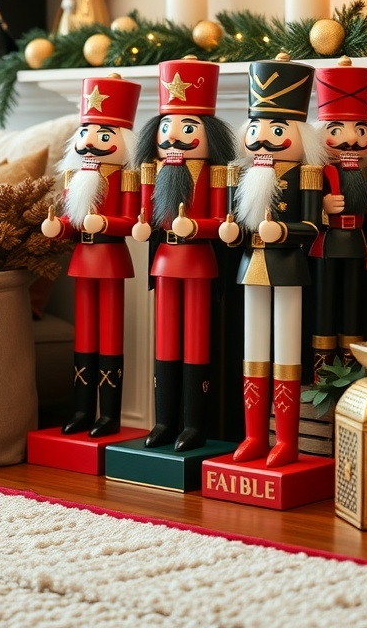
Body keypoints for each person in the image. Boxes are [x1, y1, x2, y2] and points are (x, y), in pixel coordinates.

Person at [219, 56, 324, 468]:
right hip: (251, 266)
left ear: (297, 134)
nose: (264, 140)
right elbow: (235, 225)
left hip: (288, 266)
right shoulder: (238, 174)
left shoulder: (307, 175)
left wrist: (284, 232)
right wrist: (233, 235)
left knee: (286, 353)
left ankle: (286, 441)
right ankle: (252, 436)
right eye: (257, 130)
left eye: (277, 130)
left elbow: (314, 228)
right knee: (253, 352)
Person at [132, 57, 235, 452]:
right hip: (164, 262)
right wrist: (143, 227)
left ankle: (194, 424)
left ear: (209, 133)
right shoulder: (154, 172)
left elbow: (219, 219)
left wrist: (200, 227)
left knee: (196, 341)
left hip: (198, 262)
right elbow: (144, 216)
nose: (174, 137)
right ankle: (163, 421)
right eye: (166, 128)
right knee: (165, 341)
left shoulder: (213, 174)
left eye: (187, 127)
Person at [41, 73, 141, 437]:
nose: (90, 143)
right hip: (83, 260)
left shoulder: (126, 178)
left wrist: (106, 221)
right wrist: (58, 228)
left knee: (110, 336)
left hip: (113, 259)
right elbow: (71, 221)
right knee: (84, 336)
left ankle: (108, 415)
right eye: (85, 134)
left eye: (102, 135)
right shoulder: (74, 177)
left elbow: (131, 221)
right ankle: (82, 409)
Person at [310, 57, 367, 378]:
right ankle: (323, 374)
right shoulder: (317, 172)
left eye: (359, 129)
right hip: (327, 244)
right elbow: (304, 206)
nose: (351, 139)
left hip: (357, 243)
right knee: (324, 306)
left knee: (354, 307)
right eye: (336, 129)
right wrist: (322, 207)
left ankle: (352, 374)